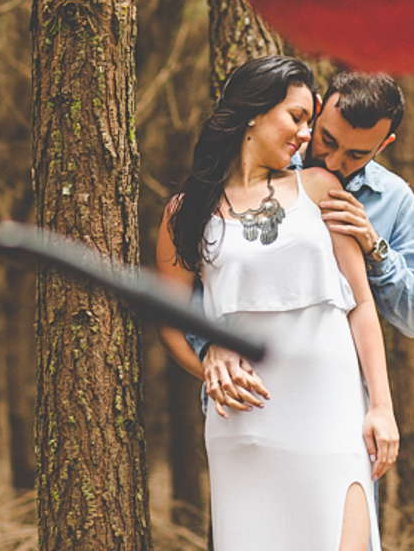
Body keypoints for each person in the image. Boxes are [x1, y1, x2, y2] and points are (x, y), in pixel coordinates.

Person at [158, 55, 398, 551]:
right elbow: (169, 320)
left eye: (310, 121)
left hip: (332, 414)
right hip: (246, 425)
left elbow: (360, 307)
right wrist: (209, 362)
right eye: (297, 118)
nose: (306, 136)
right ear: (253, 112)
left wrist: (382, 406)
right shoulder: (187, 212)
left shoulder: (320, 188)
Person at [198, 70, 414, 414]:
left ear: (385, 145)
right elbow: (198, 278)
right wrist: (208, 345)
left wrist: (375, 247)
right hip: (241, 400)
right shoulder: (255, 168)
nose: (333, 161)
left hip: (336, 403)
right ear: (318, 109)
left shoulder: (396, 201)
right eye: (328, 139)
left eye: (356, 154)